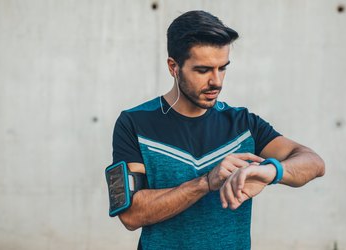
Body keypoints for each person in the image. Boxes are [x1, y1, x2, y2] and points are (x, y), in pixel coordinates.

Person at [111, 10, 325, 250]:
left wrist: (271, 171)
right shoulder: (134, 123)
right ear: (173, 66)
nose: (217, 82)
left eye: (222, 68)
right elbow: (131, 215)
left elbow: (314, 163)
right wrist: (206, 182)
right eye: (203, 70)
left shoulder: (243, 124)